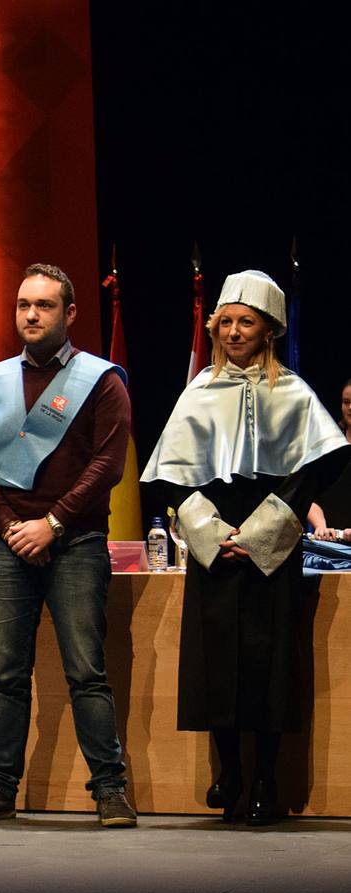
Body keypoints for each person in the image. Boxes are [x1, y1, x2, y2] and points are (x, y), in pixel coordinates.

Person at [141, 270, 350, 825]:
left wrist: (260, 535)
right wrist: (210, 533)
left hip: (269, 547)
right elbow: (168, 480)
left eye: (246, 323)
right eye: (226, 322)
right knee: (217, 664)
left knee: (267, 663)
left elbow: (312, 472)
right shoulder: (199, 391)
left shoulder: (294, 393)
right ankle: (228, 772)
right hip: (214, 543)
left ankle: (264, 781)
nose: (234, 332)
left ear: (269, 331)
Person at [0, 263, 138, 827]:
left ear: (70, 313)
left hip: (75, 542)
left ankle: (109, 790)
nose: (31, 314)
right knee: (6, 674)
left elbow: (107, 464)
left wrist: (50, 524)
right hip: (9, 544)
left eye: (45, 305)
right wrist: (12, 527)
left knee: (86, 672)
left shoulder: (102, 380)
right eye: (23, 304)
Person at [306, 377, 351, 542]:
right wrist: (321, 526)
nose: (350, 407)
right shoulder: (328, 449)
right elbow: (310, 496)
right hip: (331, 548)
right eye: (346, 402)